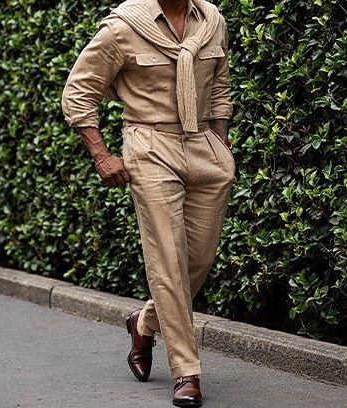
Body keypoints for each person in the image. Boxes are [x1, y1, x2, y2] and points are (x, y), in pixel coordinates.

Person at [61, 0, 235, 406]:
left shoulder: (211, 20)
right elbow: (78, 92)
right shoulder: (123, 26)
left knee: (197, 261)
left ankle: (143, 323)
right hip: (150, 145)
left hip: (205, 148)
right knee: (168, 260)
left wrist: (221, 139)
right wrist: (103, 155)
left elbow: (221, 85)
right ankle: (187, 372)